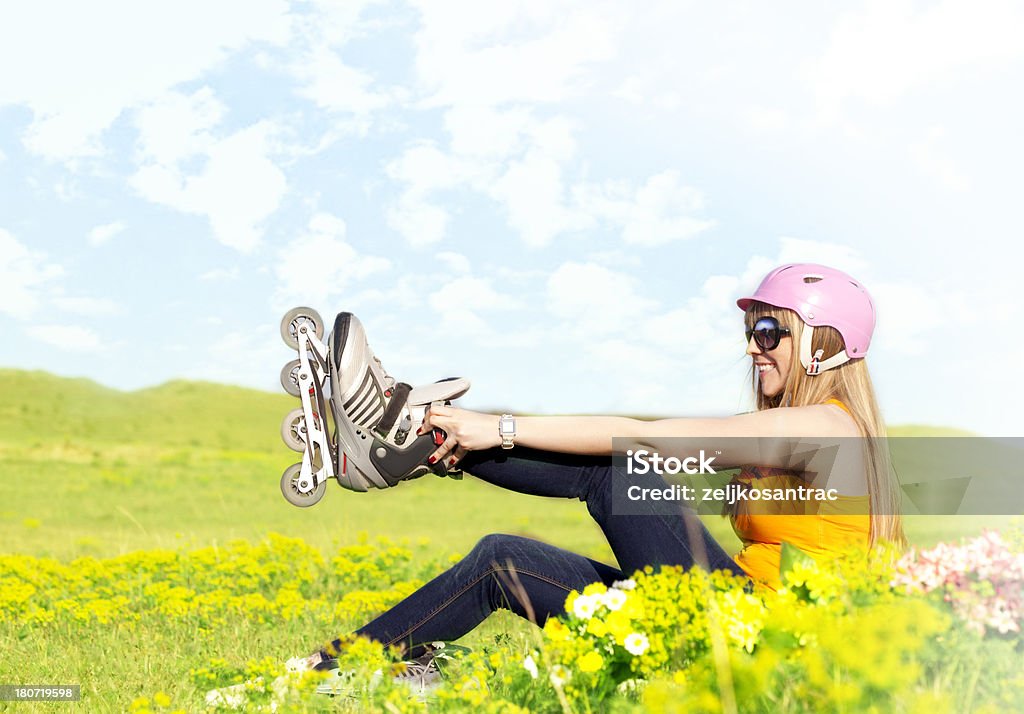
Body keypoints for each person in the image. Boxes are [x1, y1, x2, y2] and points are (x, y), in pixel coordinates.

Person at [300, 263, 906, 690]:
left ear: (822, 345)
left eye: (771, 332)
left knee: (623, 468)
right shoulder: (804, 434)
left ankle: (411, 435)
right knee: (502, 563)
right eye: (752, 331)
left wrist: (500, 429)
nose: (754, 347)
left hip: (762, 637)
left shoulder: (831, 429)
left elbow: (647, 442)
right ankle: (324, 673)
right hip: (739, 629)